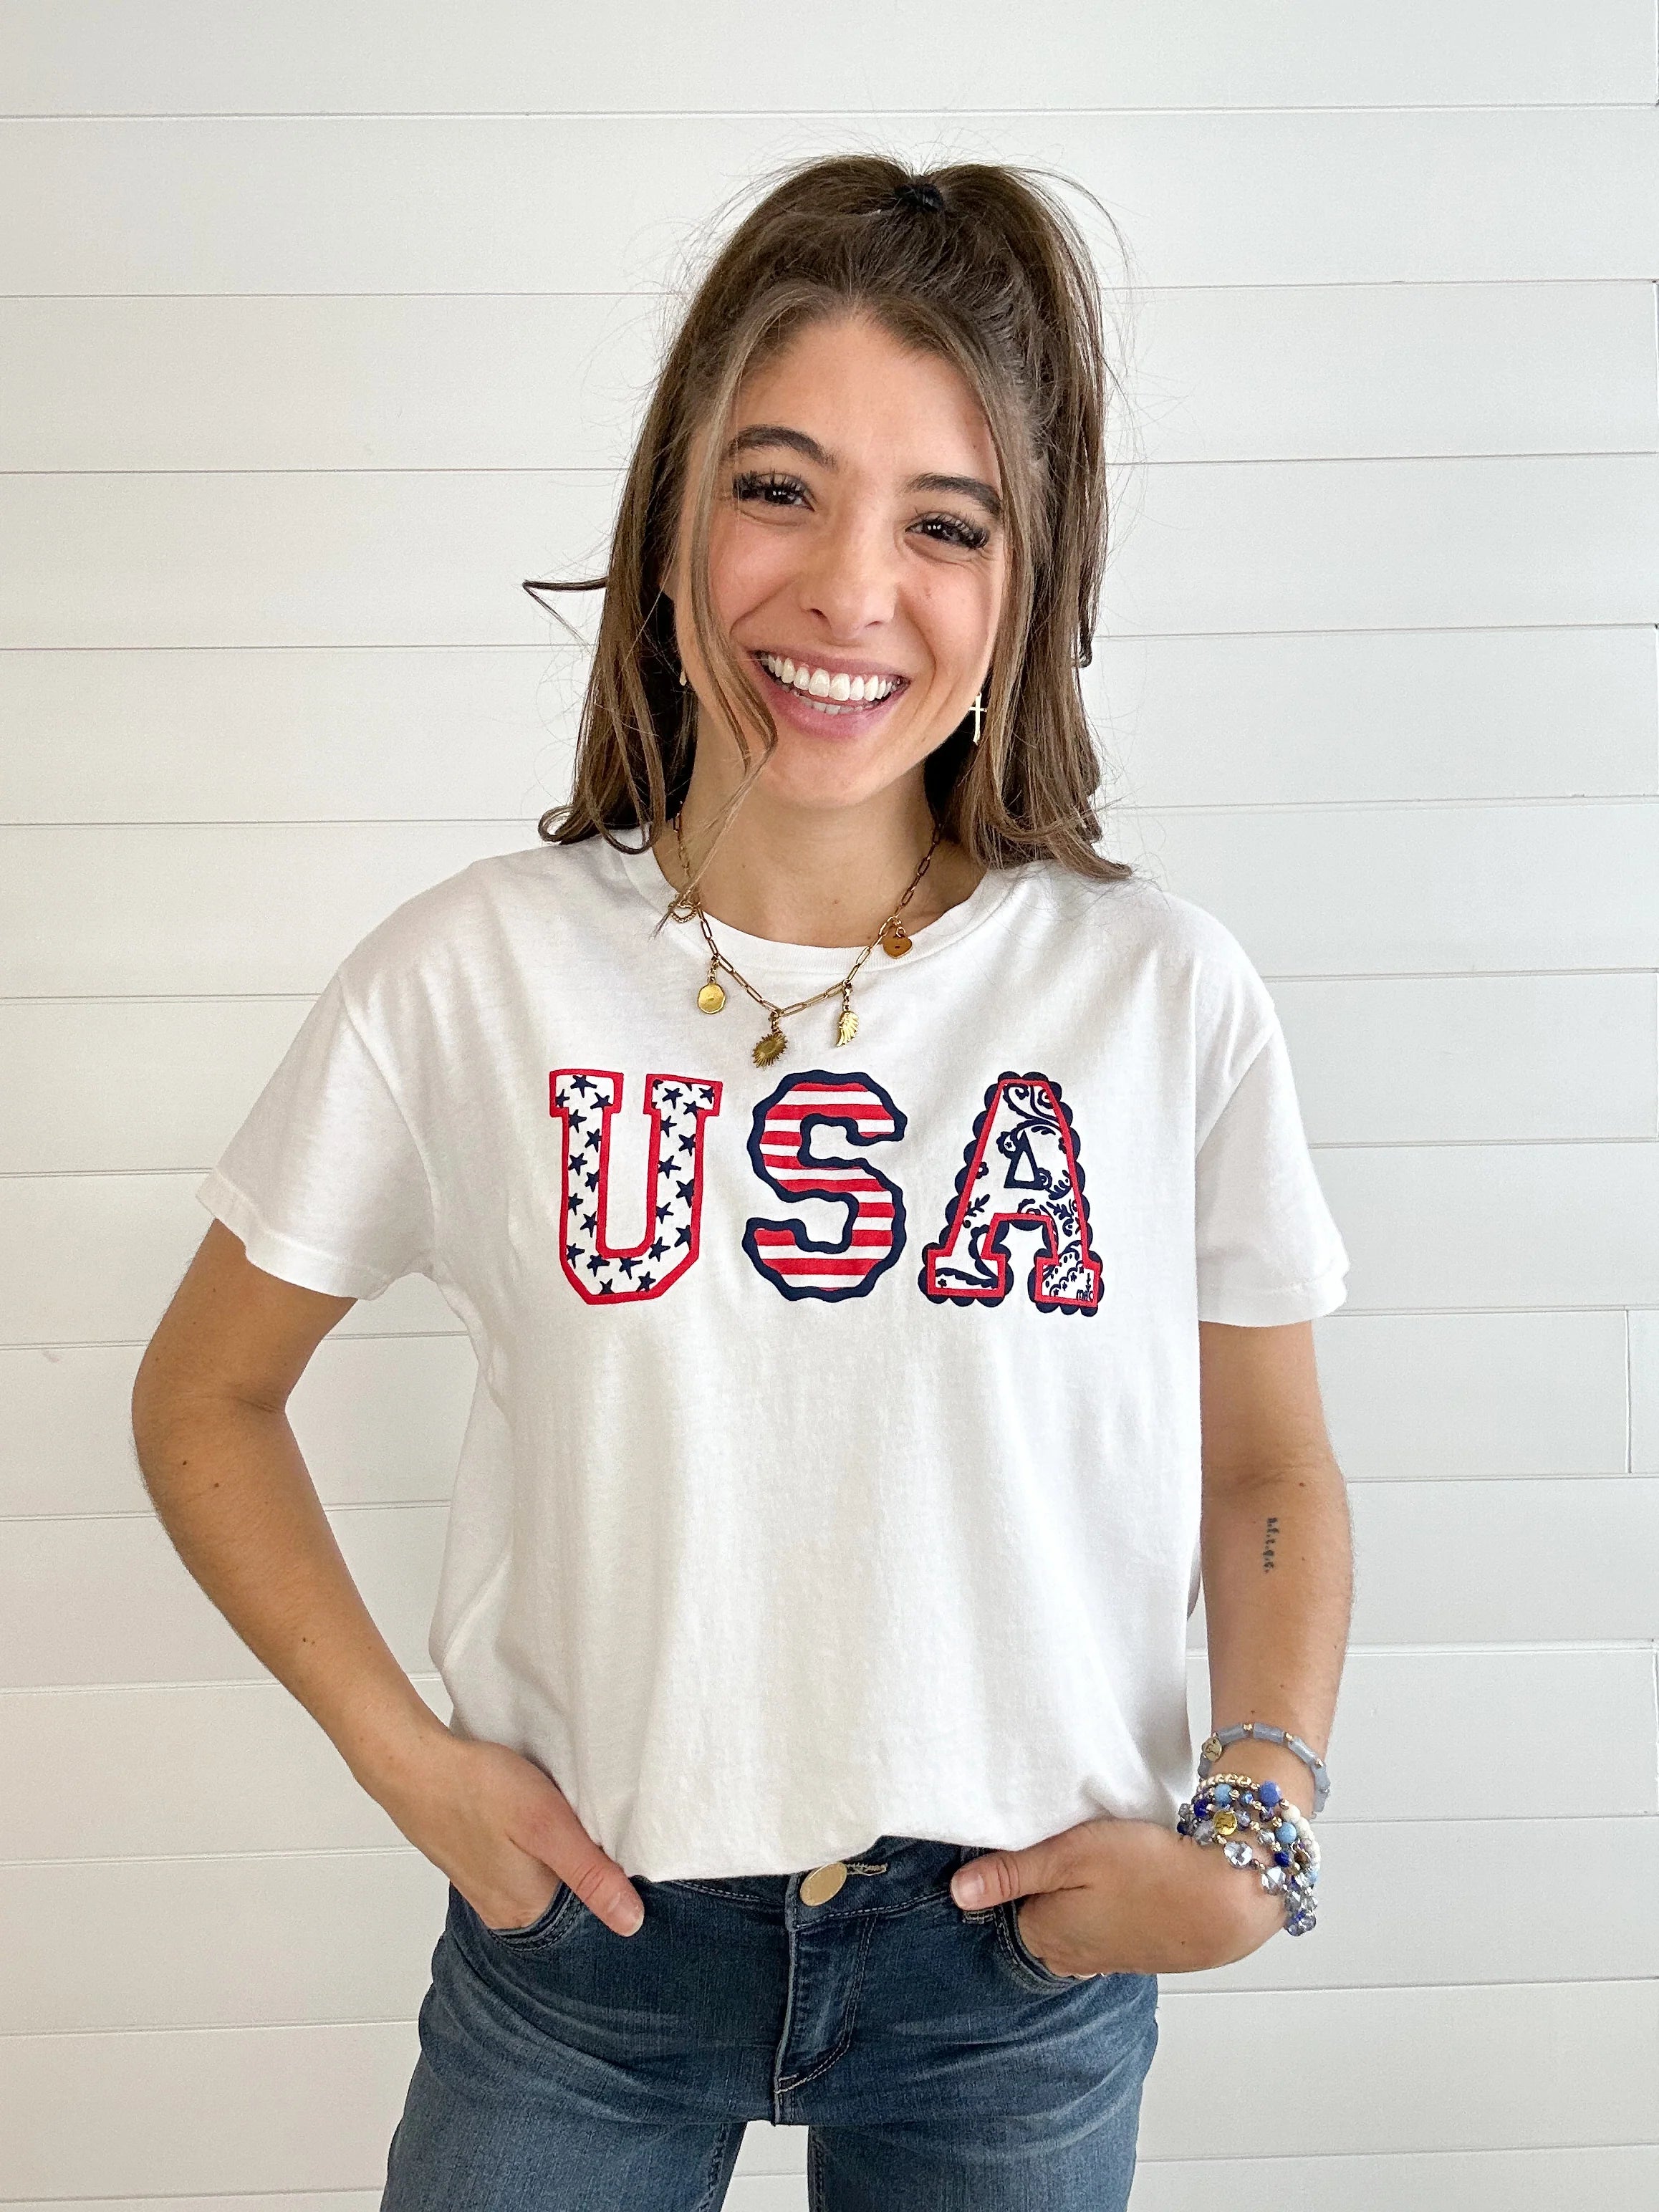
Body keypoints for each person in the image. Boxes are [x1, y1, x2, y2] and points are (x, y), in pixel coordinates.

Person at [133, 155, 1353, 2211]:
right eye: (780, 488)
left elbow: (1268, 1468)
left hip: (1017, 1967)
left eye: (944, 523)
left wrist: (1256, 1834)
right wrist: (405, 1761)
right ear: (673, 516)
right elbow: (205, 1394)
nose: (849, 592)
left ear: (1028, 579)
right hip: (587, 1961)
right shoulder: (473, 973)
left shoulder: (1158, 995)